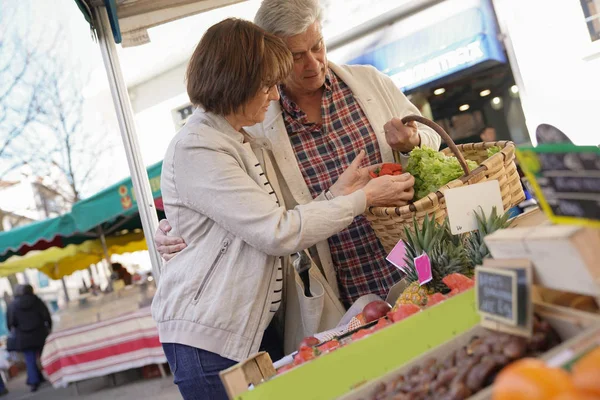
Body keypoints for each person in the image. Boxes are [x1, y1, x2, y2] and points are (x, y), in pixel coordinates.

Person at [152, 18, 414, 400]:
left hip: (247, 332)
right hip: (211, 343)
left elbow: (271, 221)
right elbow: (277, 232)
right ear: (235, 82)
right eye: (267, 85)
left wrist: (337, 193)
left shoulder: (235, 139)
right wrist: (364, 199)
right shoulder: (200, 147)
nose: (275, 95)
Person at [155, 0, 441, 308]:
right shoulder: (254, 121)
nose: (314, 63)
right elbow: (250, 208)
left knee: (437, 305)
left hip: (412, 250)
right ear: (272, 57)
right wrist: (180, 223)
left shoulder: (369, 82)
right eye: (296, 56)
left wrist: (413, 142)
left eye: (317, 46)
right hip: (344, 280)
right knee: (375, 340)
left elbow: (434, 138)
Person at [6, 284, 51, 392]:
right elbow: (46, 316)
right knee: (45, 356)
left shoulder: (13, 305)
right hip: (40, 334)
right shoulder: (37, 301)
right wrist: (49, 328)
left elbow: (10, 322)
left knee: (30, 359)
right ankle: (50, 376)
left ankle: (34, 381)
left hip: (24, 337)